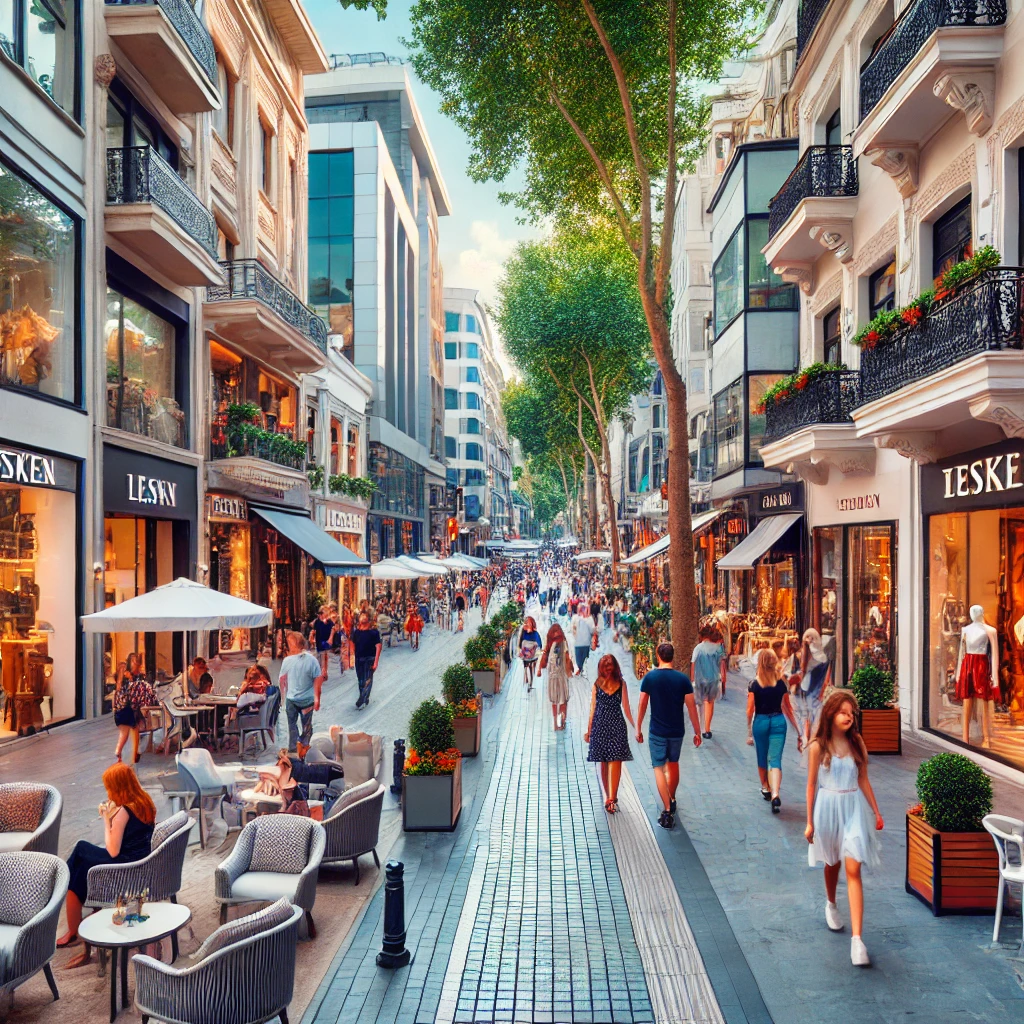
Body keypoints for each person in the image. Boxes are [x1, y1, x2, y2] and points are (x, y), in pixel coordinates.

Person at [805, 691, 884, 967]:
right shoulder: (818, 747)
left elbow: (863, 779)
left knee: (853, 868)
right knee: (832, 863)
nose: (848, 717)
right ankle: (831, 903)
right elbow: (811, 784)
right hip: (827, 807)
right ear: (830, 714)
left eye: (851, 713)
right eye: (842, 712)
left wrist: (875, 811)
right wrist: (809, 821)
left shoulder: (857, 743)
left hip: (853, 808)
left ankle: (857, 940)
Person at [58, 762, 157, 965]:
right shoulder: (144, 802)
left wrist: (106, 819)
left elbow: (112, 851)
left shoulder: (124, 812)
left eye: (109, 788)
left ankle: (72, 926)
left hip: (124, 867)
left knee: (79, 858)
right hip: (139, 863)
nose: (108, 792)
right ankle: (67, 885)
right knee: (80, 859)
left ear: (118, 787)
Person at [636, 643, 702, 829]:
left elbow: (642, 703)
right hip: (676, 731)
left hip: (657, 730)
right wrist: (697, 731)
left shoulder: (650, 678)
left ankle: (666, 811)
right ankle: (671, 797)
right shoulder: (682, 680)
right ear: (672, 656)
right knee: (673, 764)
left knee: (658, 767)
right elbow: (691, 707)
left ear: (658, 656)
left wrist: (638, 727)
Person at [746, 648, 801, 813]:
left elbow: (750, 710)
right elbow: (788, 708)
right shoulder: (781, 683)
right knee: (775, 759)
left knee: (762, 756)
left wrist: (749, 731)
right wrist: (798, 730)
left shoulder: (754, 684)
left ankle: (766, 787)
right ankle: (776, 793)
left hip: (761, 722)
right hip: (778, 721)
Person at [584, 655, 635, 813]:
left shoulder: (597, 684)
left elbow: (593, 709)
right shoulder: (621, 684)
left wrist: (589, 730)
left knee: (604, 762)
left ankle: (608, 797)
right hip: (617, 724)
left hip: (600, 725)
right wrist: (636, 726)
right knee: (616, 761)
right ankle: (613, 797)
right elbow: (626, 708)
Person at [279, 631, 325, 754]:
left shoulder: (287, 661)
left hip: (293, 700)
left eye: (289, 643)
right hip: (307, 700)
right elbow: (318, 679)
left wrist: (282, 697)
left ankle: (295, 749)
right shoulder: (312, 660)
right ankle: (303, 747)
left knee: (293, 726)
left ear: (293, 644)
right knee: (306, 726)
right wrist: (316, 698)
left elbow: (282, 680)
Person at [112, 652, 152, 764]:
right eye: (134, 661)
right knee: (126, 732)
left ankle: (133, 754)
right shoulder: (125, 674)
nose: (136, 664)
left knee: (138, 730)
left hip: (132, 709)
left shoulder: (138, 676)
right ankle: (123, 753)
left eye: (137, 661)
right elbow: (120, 688)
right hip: (126, 709)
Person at [690, 626, 727, 739]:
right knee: (710, 703)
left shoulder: (698, 648)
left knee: (699, 704)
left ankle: (698, 729)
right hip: (713, 679)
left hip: (700, 679)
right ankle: (707, 729)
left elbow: (693, 664)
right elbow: (722, 664)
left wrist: (692, 679)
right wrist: (723, 676)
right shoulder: (718, 648)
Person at [539, 622, 572, 730]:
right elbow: (545, 656)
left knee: (561, 700)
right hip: (554, 676)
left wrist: (569, 671)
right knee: (557, 700)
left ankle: (561, 721)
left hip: (559, 675)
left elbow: (567, 658)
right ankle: (558, 722)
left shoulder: (562, 644)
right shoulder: (553, 644)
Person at [351, 611, 382, 709]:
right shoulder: (356, 632)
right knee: (360, 680)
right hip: (359, 658)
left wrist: (376, 661)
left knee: (368, 679)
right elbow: (352, 644)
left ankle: (362, 699)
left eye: (365, 616)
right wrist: (352, 657)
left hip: (370, 658)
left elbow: (378, 646)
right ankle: (364, 697)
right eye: (362, 616)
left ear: (369, 619)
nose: (363, 617)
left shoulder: (374, 632)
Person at [309, 606, 335, 677]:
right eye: (325, 612)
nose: (326, 614)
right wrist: (311, 638)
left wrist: (331, 638)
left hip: (327, 641)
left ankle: (324, 671)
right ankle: (322, 671)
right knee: (321, 655)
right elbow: (313, 629)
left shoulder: (329, 621)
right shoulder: (317, 621)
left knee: (325, 656)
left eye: (327, 612)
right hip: (319, 641)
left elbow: (333, 628)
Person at [571, 605, 596, 677]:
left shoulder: (589, 619)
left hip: (586, 644)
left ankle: (584, 675)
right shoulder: (575, 618)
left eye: (583, 609)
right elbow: (572, 628)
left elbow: (592, 630)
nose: (581, 611)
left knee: (585, 662)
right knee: (579, 663)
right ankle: (580, 674)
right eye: (580, 609)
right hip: (577, 644)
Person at [519, 616, 542, 690]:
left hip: (534, 655)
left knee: (532, 667)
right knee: (527, 666)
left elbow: (539, 646)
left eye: (528, 623)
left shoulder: (535, 634)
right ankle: (528, 679)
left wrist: (537, 656)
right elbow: (520, 644)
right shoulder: (523, 633)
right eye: (526, 623)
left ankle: (530, 682)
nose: (526, 624)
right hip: (525, 655)